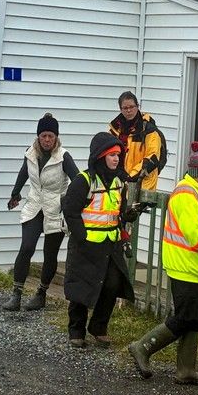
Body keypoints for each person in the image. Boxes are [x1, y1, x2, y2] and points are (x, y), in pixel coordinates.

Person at [127, 142, 198, 385]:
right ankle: (143, 347)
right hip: (185, 267)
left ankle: (186, 369)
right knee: (186, 316)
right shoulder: (187, 196)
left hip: (191, 267)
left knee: (194, 316)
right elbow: (196, 236)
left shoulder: (192, 193)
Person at [61, 132, 135, 348]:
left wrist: (128, 216)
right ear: (101, 156)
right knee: (81, 288)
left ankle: (99, 328)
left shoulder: (120, 182)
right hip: (85, 245)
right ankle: (76, 331)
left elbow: (117, 212)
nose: (116, 159)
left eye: (118, 155)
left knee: (112, 284)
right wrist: (82, 237)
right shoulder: (83, 181)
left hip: (110, 244)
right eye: (112, 155)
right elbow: (70, 211)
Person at [1, 113, 79, 312]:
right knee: (27, 247)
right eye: (43, 135)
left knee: (50, 254)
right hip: (35, 205)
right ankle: (16, 294)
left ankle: (41, 294)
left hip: (55, 209)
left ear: (56, 137)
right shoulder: (31, 153)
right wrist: (15, 193)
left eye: (50, 136)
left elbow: (78, 179)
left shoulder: (63, 156)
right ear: (38, 136)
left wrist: (69, 201)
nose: (47, 140)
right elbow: (24, 172)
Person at [109, 91, 165, 191]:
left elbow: (153, 156)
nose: (129, 110)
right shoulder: (115, 129)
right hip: (120, 181)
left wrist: (131, 176)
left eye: (132, 107)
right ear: (120, 109)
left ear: (137, 106)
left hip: (143, 183)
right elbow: (108, 153)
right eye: (125, 108)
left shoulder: (149, 129)